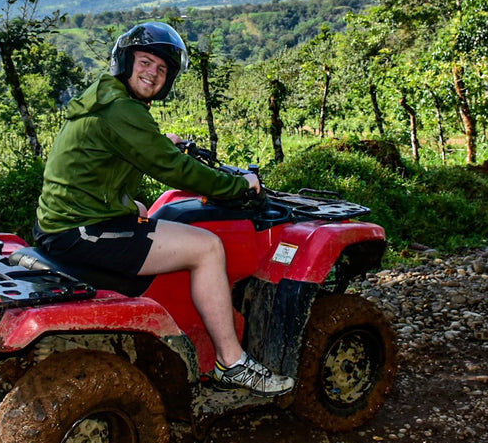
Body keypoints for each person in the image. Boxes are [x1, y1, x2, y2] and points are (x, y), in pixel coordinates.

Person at [34, 21, 294, 397]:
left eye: (161, 69)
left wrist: (160, 141)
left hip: (67, 218)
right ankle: (232, 362)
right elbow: (175, 170)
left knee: (142, 206)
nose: (152, 73)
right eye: (145, 62)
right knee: (207, 247)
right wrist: (239, 185)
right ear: (125, 62)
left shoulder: (104, 97)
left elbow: (124, 147)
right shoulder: (122, 111)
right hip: (80, 231)